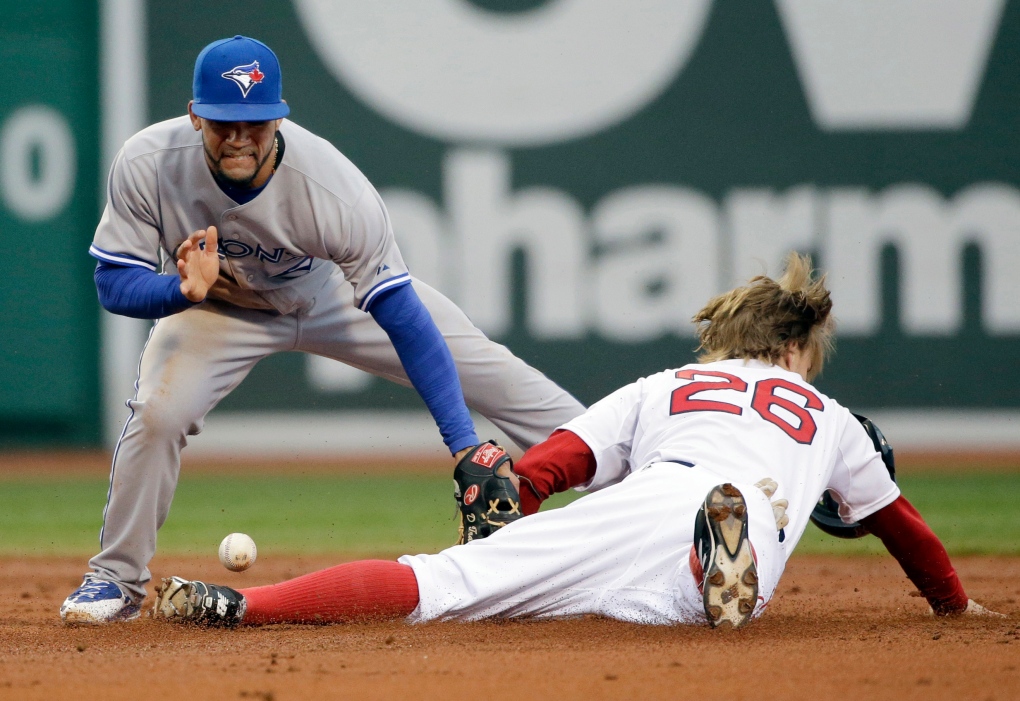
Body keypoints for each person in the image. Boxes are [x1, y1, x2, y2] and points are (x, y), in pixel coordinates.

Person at [152, 253, 1002, 630]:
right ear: (790, 351)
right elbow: (908, 535)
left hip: (642, 502)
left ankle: (246, 605)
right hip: (740, 523)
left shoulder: (666, 384)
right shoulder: (830, 417)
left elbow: (555, 466)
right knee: (721, 567)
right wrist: (955, 605)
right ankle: (726, 556)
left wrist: (505, 494)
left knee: (438, 582)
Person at [60, 35, 583, 625]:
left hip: (330, 294)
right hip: (218, 308)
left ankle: (647, 485)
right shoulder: (147, 161)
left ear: (279, 119)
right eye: (222, 123)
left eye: (254, 123)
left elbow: (401, 314)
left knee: (498, 377)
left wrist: (464, 443)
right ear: (194, 115)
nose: (238, 138)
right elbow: (112, 283)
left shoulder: (332, 187)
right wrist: (178, 291)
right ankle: (115, 580)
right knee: (156, 412)